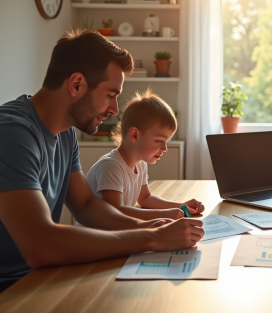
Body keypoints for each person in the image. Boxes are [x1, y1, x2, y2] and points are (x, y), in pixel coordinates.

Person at [0, 30, 204, 313]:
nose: (115, 109)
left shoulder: (66, 134)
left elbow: (86, 205)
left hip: (34, 279)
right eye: (110, 95)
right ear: (77, 84)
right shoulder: (8, 134)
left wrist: (148, 227)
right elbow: (40, 245)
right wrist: (151, 238)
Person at [84, 90, 204, 221]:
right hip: (95, 238)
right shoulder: (111, 166)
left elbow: (145, 198)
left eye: (167, 141)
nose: (165, 148)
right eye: (159, 141)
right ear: (134, 135)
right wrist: (164, 214)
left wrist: (181, 206)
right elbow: (116, 212)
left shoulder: (140, 164)